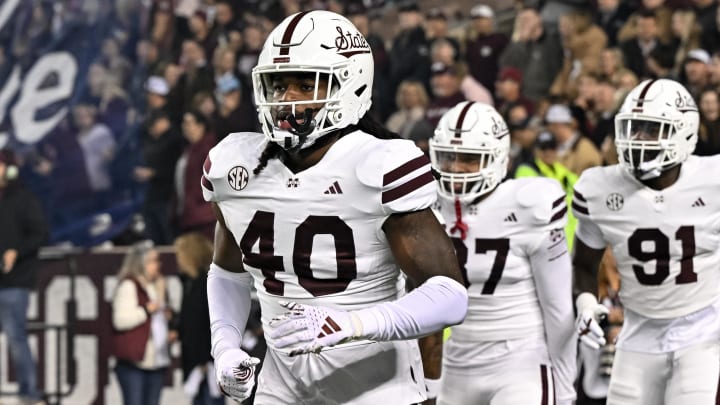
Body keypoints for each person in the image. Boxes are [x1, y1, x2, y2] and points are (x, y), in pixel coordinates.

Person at [200, 10, 468, 404]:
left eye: (305, 84)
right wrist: (225, 347)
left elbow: (449, 295)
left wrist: (353, 323)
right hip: (282, 388)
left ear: (351, 85)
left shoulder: (377, 165)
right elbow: (228, 272)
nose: (286, 99)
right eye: (277, 85)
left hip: (376, 389)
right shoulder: (235, 166)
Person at [572, 78, 720, 405]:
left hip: (702, 334)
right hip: (637, 335)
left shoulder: (713, 180)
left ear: (684, 131)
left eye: (651, 129)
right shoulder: (599, 187)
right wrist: (585, 302)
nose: (638, 139)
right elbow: (584, 263)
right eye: (633, 128)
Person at [429, 102, 576, 405]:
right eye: (448, 157)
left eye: (469, 159)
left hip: (519, 361)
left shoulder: (528, 204)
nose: (455, 168)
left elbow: (558, 308)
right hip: (456, 359)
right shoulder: (426, 205)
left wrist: (564, 387)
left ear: (499, 159)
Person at [0, 149, 48, 405]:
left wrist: (16, 252)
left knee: (16, 337)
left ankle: (28, 392)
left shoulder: (23, 199)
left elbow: (40, 233)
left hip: (14, 282)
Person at [111, 243, 171, 405]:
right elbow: (120, 321)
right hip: (134, 362)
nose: (158, 265)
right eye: (153, 261)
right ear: (140, 263)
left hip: (156, 361)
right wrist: (145, 310)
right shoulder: (129, 285)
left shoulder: (157, 285)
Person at [171, 233, 224, 405]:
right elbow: (190, 322)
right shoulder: (190, 283)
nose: (177, 260)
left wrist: (203, 359)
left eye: (180, 255)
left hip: (206, 364)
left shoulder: (206, 283)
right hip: (195, 363)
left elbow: (210, 323)